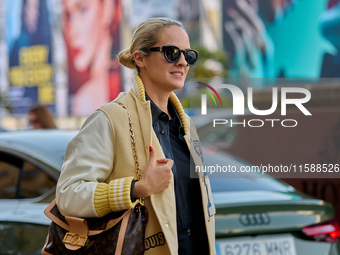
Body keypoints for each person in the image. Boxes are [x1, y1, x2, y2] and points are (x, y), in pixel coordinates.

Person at [56, 17, 216, 255]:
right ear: (140, 58)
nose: (182, 62)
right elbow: (68, 194)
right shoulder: (109, 118)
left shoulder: (186, 125)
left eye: (188, 55)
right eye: (172, 52)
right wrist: (135, 189)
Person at [62, 0, 122, 116]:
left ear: (106, 9)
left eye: (83, 10)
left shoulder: (85, 100)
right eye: (69, 17)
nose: (72, 32)